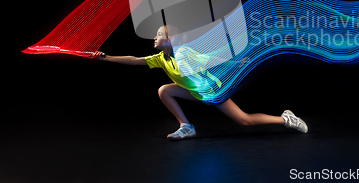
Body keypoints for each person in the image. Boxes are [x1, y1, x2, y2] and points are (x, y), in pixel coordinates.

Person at [96, 25, 308, 140]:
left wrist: (235, 62)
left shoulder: (184, 53)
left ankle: (286, 119)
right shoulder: (161, 58)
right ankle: (187, 127)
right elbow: (134, 61)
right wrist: (105, 57)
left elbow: (211, 60)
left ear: (170, 41)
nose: (155, 37)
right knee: (165, 90)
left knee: (244, 120)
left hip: (211, 91)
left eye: (159, 35)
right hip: (194, 91)